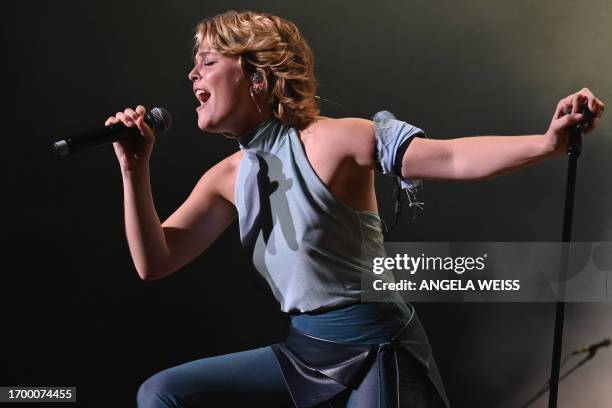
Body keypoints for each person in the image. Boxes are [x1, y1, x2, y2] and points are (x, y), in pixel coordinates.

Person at [104, 10, 605, 408]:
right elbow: (155, 261)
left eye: (209, 60)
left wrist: (546, 143)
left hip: (376, 347)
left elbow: (451, 156)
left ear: (256, 74)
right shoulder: (225, 179)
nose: (192, 72)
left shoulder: (335, 138)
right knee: (163, 393)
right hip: (306, 350)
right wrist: (134, 167)